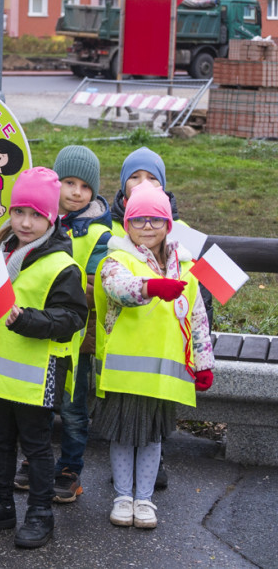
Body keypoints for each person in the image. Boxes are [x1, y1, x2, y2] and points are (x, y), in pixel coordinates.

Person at [0, 167, 87, 549]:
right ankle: (0, 504)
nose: (25, 222)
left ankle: (40, 513)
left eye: (36, 215)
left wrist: (26, 319)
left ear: (51, 218)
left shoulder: (62, 265)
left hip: (37, 373)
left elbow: (72, 319)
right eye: (18, 212)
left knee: (36, 445)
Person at [94, 180, 214, 530]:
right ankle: (122, 496)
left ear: (168, 225)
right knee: (122, 434)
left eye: (155, 220)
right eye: (139, 220)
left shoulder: (186, 269)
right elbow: (118, 287)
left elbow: (197, 319)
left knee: (151, 436)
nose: (147, 227)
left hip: (164, 372)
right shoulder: (117, 259)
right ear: (127, 224)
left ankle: (144, 499)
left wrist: (203, 364)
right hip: (124, 370)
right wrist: (150, 287)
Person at [14, 145, 112, 502]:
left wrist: (64, 285)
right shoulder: (38, 222)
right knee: (38, 402)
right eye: (68, 182)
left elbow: (97, 284)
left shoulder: (100, 234)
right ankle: (34, 459)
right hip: (39, 331)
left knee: (72, 409)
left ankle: (71, 468)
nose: (75, 192)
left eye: (85, 186)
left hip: (77, 336)